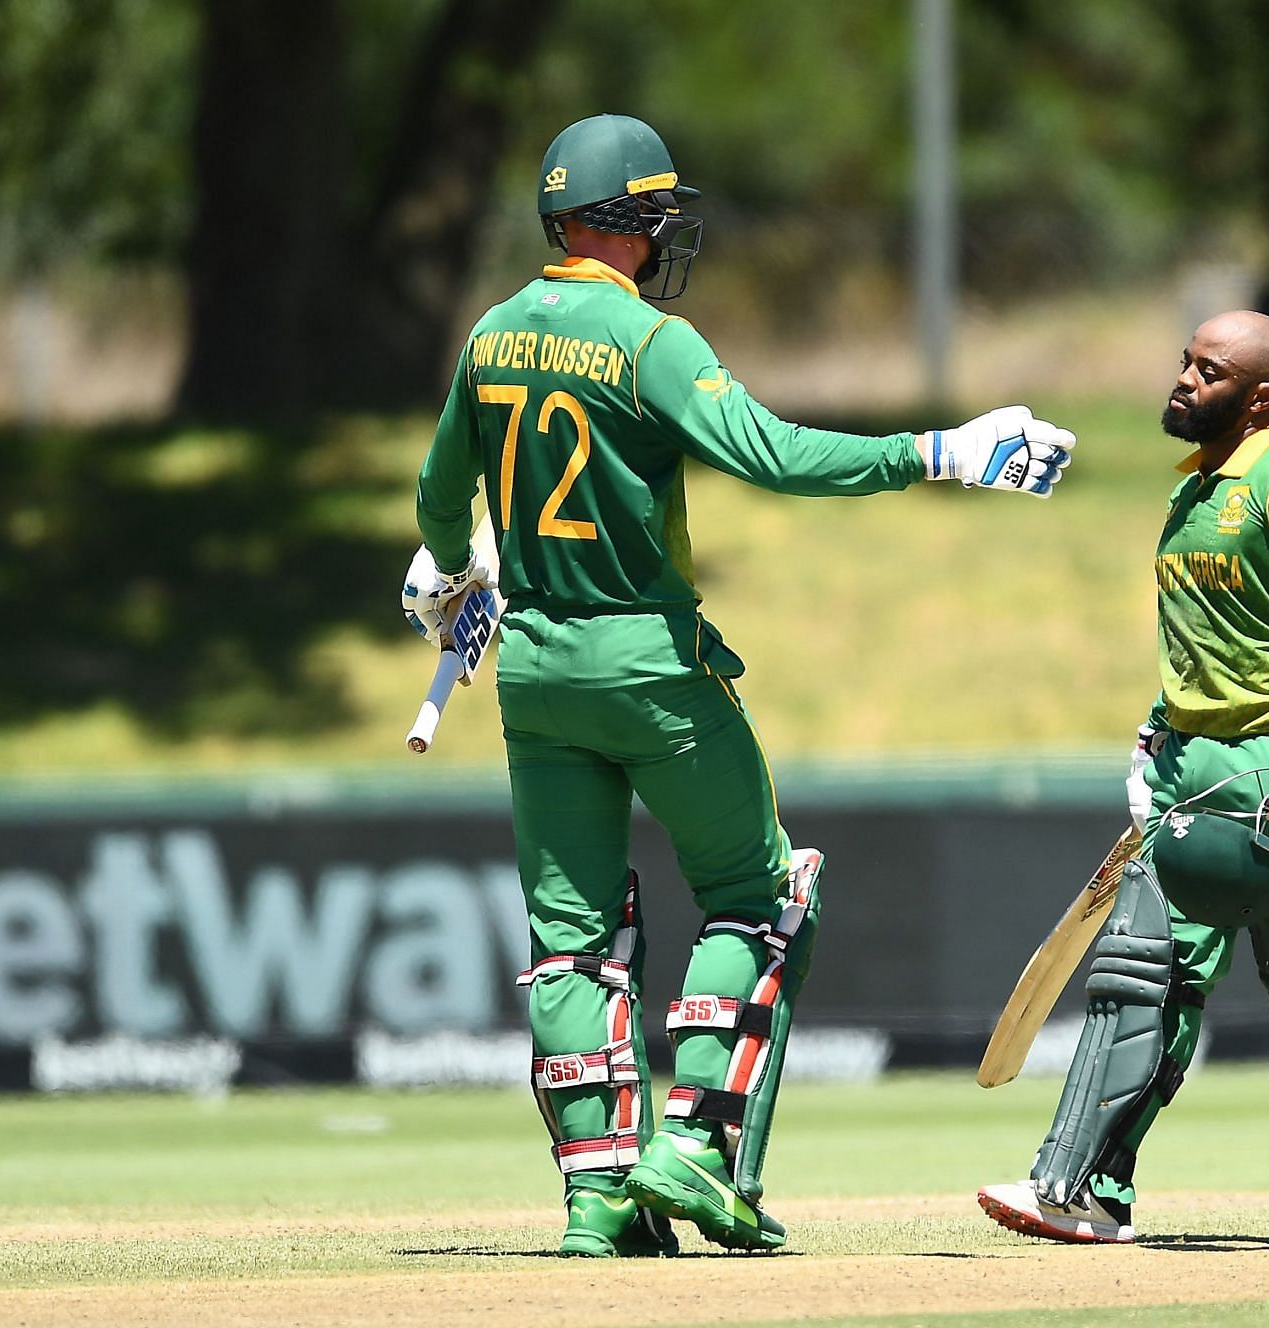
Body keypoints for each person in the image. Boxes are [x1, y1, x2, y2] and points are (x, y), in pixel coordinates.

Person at [402, 113, 1075, 1258]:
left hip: (537, 674)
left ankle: (598, 1200)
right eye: (658, 215)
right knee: (764, 895)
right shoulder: (649, 340)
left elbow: (434, 508)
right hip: (651, 671)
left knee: (574, 944)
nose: (669, 236)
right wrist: (940, 452)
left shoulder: (489, 335)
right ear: (623, 223)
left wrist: (457, 571)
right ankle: (699, 1146)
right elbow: (772, 453)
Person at [977, 310, 1269, 1248]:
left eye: (1208, 370)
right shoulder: (1192, 493)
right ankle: (1084, 1187)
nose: (1184, 378)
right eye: (1185, 360)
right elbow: (1212, 638)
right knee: (1147, 971)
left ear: (1258, 397)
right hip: (1194, 762)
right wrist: (1158, 726)